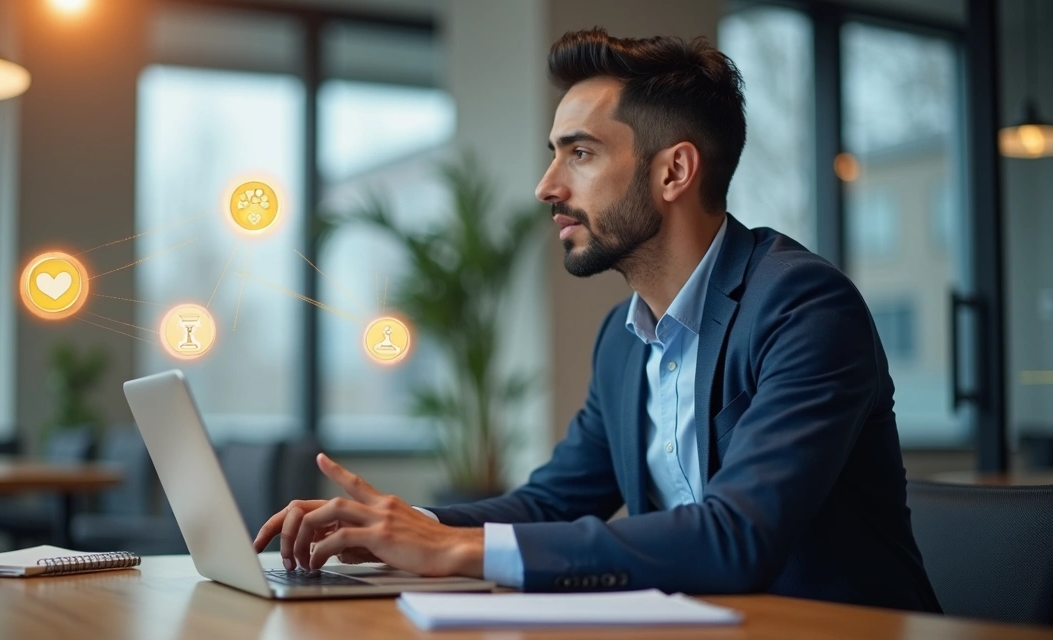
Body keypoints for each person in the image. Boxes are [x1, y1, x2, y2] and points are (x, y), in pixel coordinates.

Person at [253, 27, 942, 613]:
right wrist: (401, 526)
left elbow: (737, 536)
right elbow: (549, 504)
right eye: (554, 153)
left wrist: (455, 550)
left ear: (673, 172)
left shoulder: (804, 307)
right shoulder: (624, 338)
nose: (547, 185)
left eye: (579, 153)